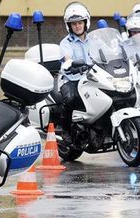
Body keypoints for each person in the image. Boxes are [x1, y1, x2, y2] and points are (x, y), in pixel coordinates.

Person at [59, 2, 93, 143]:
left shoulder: (94, 40)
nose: (77, 26)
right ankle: (65, 130)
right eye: (74, 24)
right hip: (71, 79)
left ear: (86, 23)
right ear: (69, 26)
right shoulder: (66, 43)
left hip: (91, 77)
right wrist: (71, 64)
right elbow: (67, 58)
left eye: (80, 23)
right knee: (71, 98)